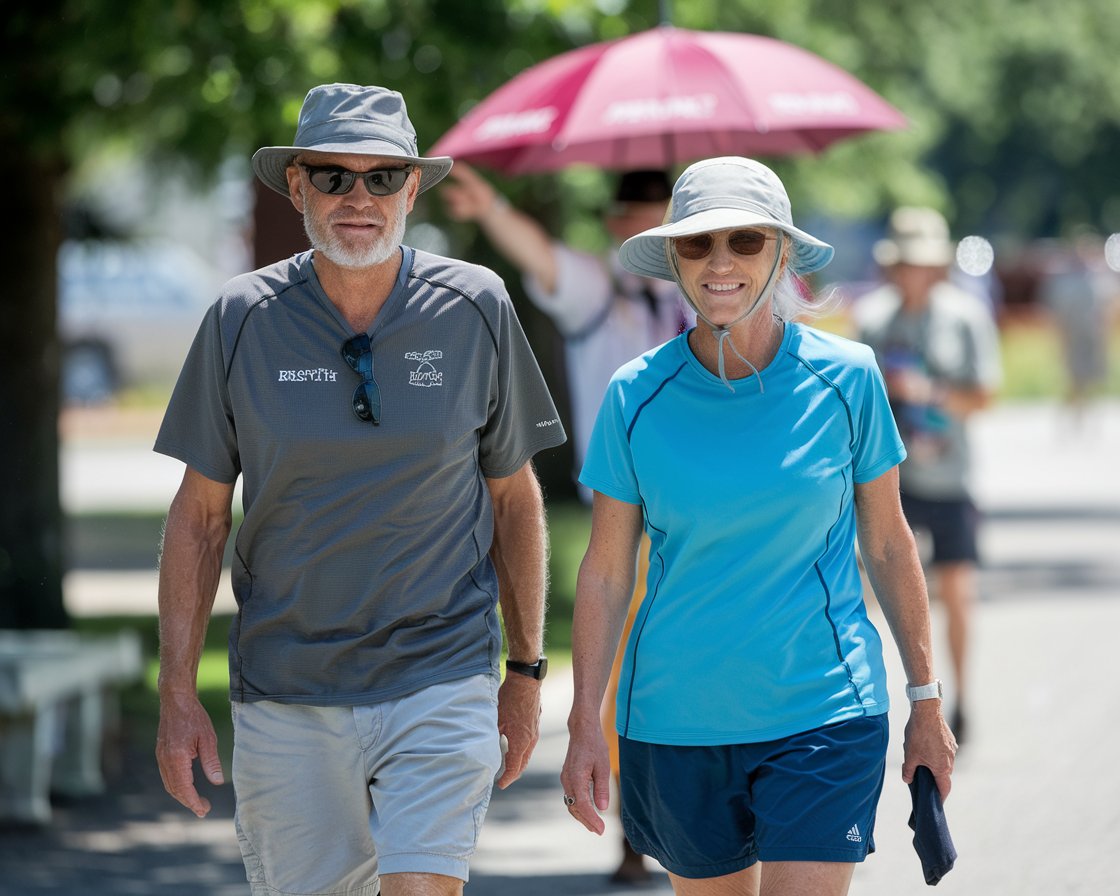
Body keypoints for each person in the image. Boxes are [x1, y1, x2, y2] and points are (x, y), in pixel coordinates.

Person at [153, 83, 567, 896]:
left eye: (382, 178)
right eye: (334, 176)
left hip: (441, 672)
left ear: (413, 189)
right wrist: (176, 697)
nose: (358, 198)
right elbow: (198, 520)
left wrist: (524, 674)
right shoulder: (240, 318)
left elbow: (515, 498)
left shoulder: (476, 305)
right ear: (297, 185)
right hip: (287, 686)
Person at [559, 157, 957, 896]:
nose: (720, 264)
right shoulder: (634, 396)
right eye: (696, 245)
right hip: (676, 720)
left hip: (825, 711)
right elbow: (608, 571)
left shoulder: (849, 379)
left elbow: (888, 543)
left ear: (781, 251)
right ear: (672, 257)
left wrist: (926, 700)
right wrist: (587, 719)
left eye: (745, 241)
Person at [442, 162, 694, 884]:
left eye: (664, 216)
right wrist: (489, 206)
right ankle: (634, 827)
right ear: (615, 225)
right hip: (631, 512)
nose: (650, 229)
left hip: (705, 511)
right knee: (626, 673)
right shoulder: (597, 289)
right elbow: (535, 253)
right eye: (637, 216)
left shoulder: (707, 291)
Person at [854, 206, 1003, 745]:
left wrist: (930, 393)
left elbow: (985, 394)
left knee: (957, 589)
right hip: (890, 477)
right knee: (873, 584)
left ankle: (961, 697)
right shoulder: (872, 318)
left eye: (923, 262)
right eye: (905, 263)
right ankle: (875, 699)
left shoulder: (965, 316)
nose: (913, 272)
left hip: (950, 474)